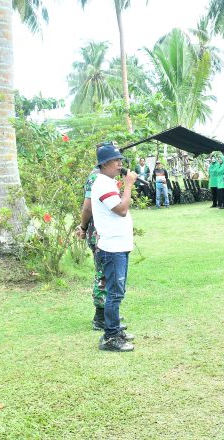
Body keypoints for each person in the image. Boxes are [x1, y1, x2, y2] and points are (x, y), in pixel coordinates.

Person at [91, 142, 138, 352]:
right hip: (112, 247)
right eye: (116, 160)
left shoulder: (108, 182)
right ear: (105, 163)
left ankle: (115, 329)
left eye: (120, 160)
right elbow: (121, 209)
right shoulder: (102, 183)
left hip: (119, 244)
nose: (120, 164)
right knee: (114, 292)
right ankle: (110, 338)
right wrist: (128, 185)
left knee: (118, 291)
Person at [75, 155, 107, 331]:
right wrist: (83, 226)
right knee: (103, 274)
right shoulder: (95, 177)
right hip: (97, 233)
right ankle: (100, 317)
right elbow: (88, 207)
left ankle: (108, 313)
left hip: (103, 232)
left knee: (107, 272)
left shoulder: (105, 176)